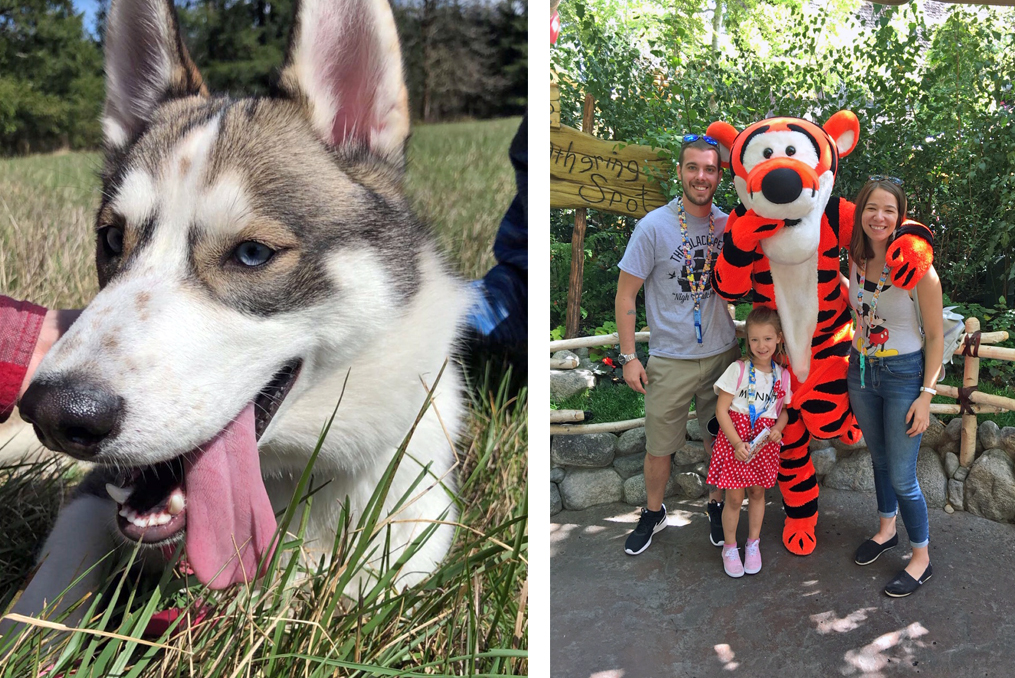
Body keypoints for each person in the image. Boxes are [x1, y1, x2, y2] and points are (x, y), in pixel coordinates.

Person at [615, 134, 740, 555]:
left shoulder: (729, 225)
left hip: (723, 355)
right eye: (693, 168)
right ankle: (653, 513)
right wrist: (630, 357)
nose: (700, 176)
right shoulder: (653, 226)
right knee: (659, 447)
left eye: (709, 169)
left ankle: (717, 507)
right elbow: (625, 294)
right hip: (671, 357)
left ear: (719, 175)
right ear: (681, 172)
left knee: (719, 441)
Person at [845, 176, 942, 597]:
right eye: (871, 208)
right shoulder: (855, 258)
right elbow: (859, 306)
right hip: (862, 371)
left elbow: (936, 336)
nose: (878, 217)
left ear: (900, 217)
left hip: (905, 375)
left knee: (903, 476)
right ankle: (887, 531)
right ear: (860, 213)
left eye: (888, 210)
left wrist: (927, 395)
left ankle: (921, 559)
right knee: (879, 461)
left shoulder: (920, 269)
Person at [706, 307, 792, 577]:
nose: (761, 345)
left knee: (757, 494)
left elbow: (784, 410)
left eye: (767, 338)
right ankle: (729, 547)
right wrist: (735, 443)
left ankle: (753, 543)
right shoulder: (738, 370)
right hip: (737, 440)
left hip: (764, 443)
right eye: (754, 339)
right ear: (747, 341)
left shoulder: (783, 376)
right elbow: (722, 410)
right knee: (733, 498)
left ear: (778, 338)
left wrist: (778, 428)